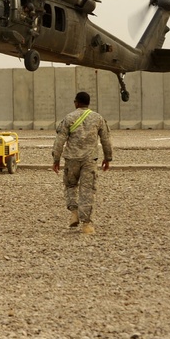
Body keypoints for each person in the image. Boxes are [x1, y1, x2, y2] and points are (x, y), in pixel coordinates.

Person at [52, 91, 113, 235]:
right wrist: (108, 158)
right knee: (87, 190)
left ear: (76, 102)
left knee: (71, 185)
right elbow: (106, 140)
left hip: (71, 160)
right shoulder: (98, 118)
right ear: (88, 103)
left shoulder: (69, 118)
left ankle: (74, 212)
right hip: (89, 160)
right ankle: (87, 225)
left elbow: (60, 140)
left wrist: (56, 159)